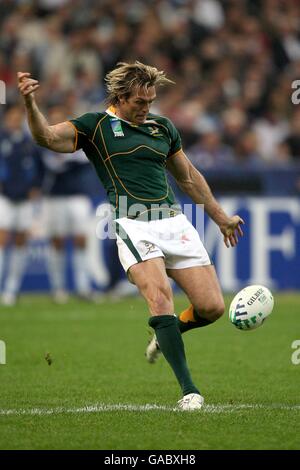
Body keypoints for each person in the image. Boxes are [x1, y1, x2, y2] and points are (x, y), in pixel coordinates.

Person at [18, 62, 244, 410]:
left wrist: (220, 218)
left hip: (173, 222)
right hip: (131, 223)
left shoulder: (162, 127)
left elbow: (188, 178)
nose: (146, 108)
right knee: (160, 297)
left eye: (150, 101)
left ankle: (166, 333)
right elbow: (45, 137)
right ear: (120, 97)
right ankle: (189, 391)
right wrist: (31, 105)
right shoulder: (95, 126)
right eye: (140, 102)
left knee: (212, 307)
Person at [40, 105, 94, 303]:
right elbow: (48, 166)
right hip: (54, 197)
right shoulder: (42, 142)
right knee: (57, 242)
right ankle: (59, 288)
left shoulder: (77, 140)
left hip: (77, 196)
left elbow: (83, 160)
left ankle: (83, 286)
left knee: (81, 239)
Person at [0, 104, 41, 305]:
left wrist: (35, 187)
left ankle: (11, 288)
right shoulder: (1, 139)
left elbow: (39, 169)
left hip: (24, 199)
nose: (15, 120)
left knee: (20, 241)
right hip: (4, 198)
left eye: (19, 116)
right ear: (6, 118)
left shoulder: (29, 142)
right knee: (2, 239)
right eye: (13, 116)